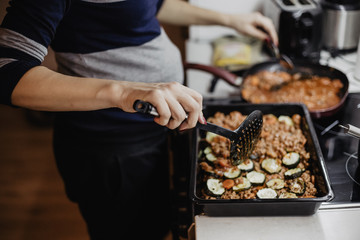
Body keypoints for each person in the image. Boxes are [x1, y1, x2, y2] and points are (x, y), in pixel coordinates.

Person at [0, 0, 278, 239]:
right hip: (111, 147)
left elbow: (152, 6)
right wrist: (124, 90)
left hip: (154, 129)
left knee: (154, 225)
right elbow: (7, 70)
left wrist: (230, 20)